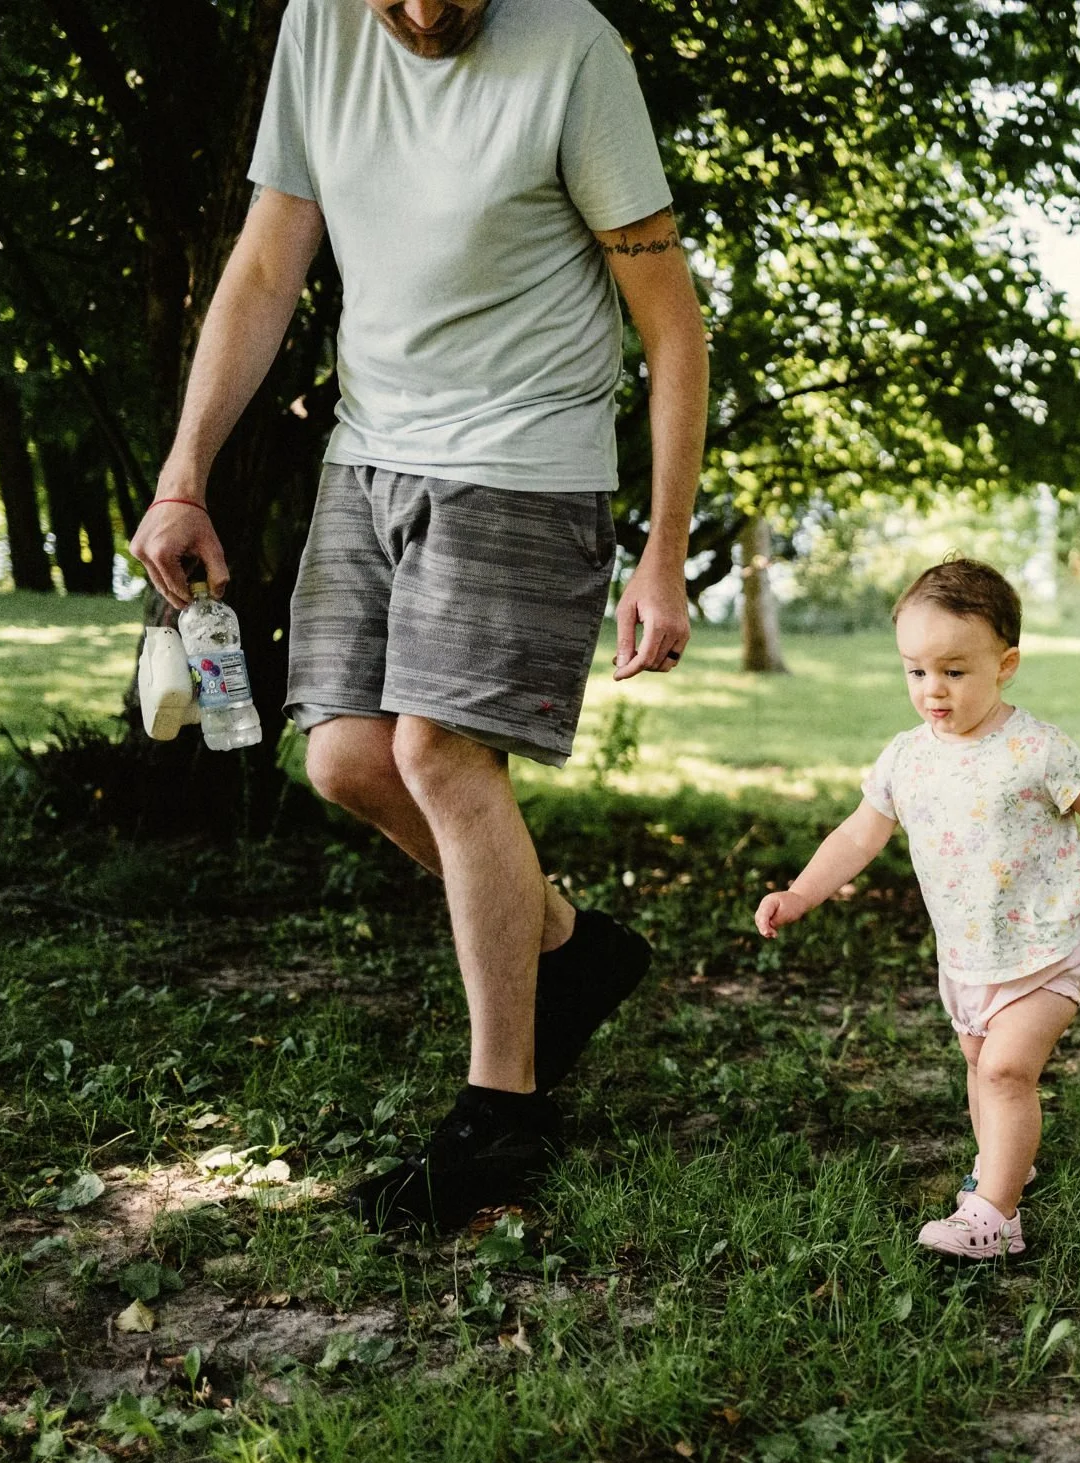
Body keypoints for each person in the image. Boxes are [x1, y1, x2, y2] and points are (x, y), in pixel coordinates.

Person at [127, 0, 709, 1229]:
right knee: (342, 759)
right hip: (370, 453)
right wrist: (186, 474)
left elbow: (670, 320)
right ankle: (567, 947)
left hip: (526, 456)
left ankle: (506, 1112)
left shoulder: (573, 53)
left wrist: (662, 550)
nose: (428, 12)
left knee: (439, 753)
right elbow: (268, 261)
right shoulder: (317, 31)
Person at [753, 559, 1080, 1260]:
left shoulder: (1034, 750)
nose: (933, 690)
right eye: (915, 671)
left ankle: (995, 1214)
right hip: (969, 956)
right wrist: (801, 892)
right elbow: (859, 834)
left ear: (1004, 664)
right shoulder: (905, 758)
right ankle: (1002, 1160)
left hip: (1047, 947)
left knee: (1008, 1071)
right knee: (981, 1069)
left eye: (954, 670)